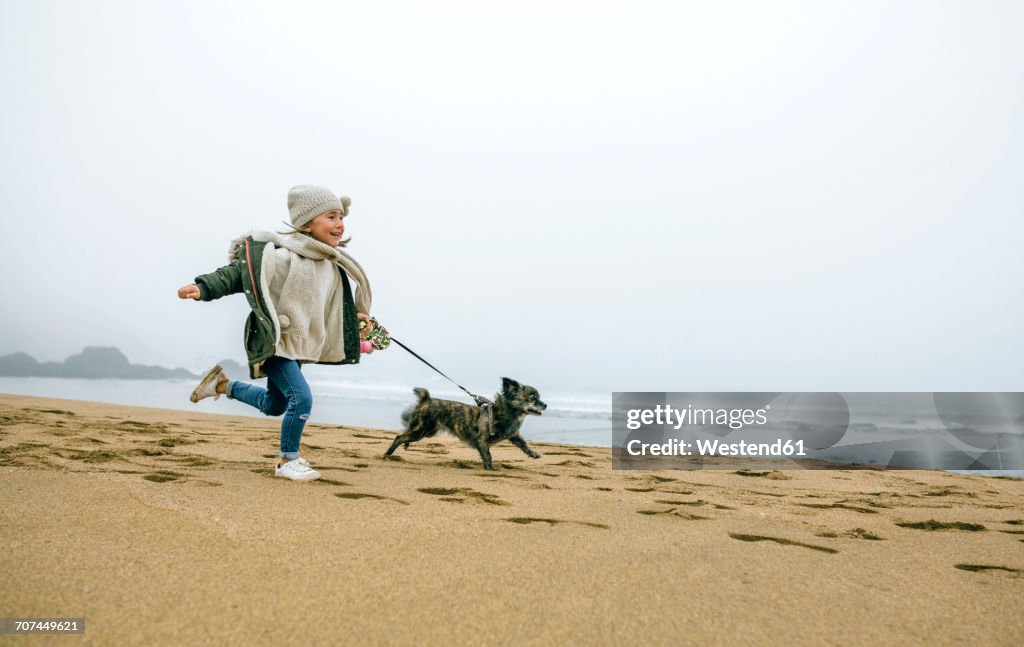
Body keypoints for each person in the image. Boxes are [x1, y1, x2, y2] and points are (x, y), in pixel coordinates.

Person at [177, 185, 373, 481]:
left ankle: (221, 385)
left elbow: (330, 304)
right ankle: (287, 460)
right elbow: (239, 274)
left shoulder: (331, 264)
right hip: (273, 340)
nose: (339, 224)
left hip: (299, 346)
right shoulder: (281, 255)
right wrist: (204, 288)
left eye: (341, 217)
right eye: (331, 216)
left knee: (275, 404)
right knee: (302, 399)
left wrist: (356, 316)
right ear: (307, 222)